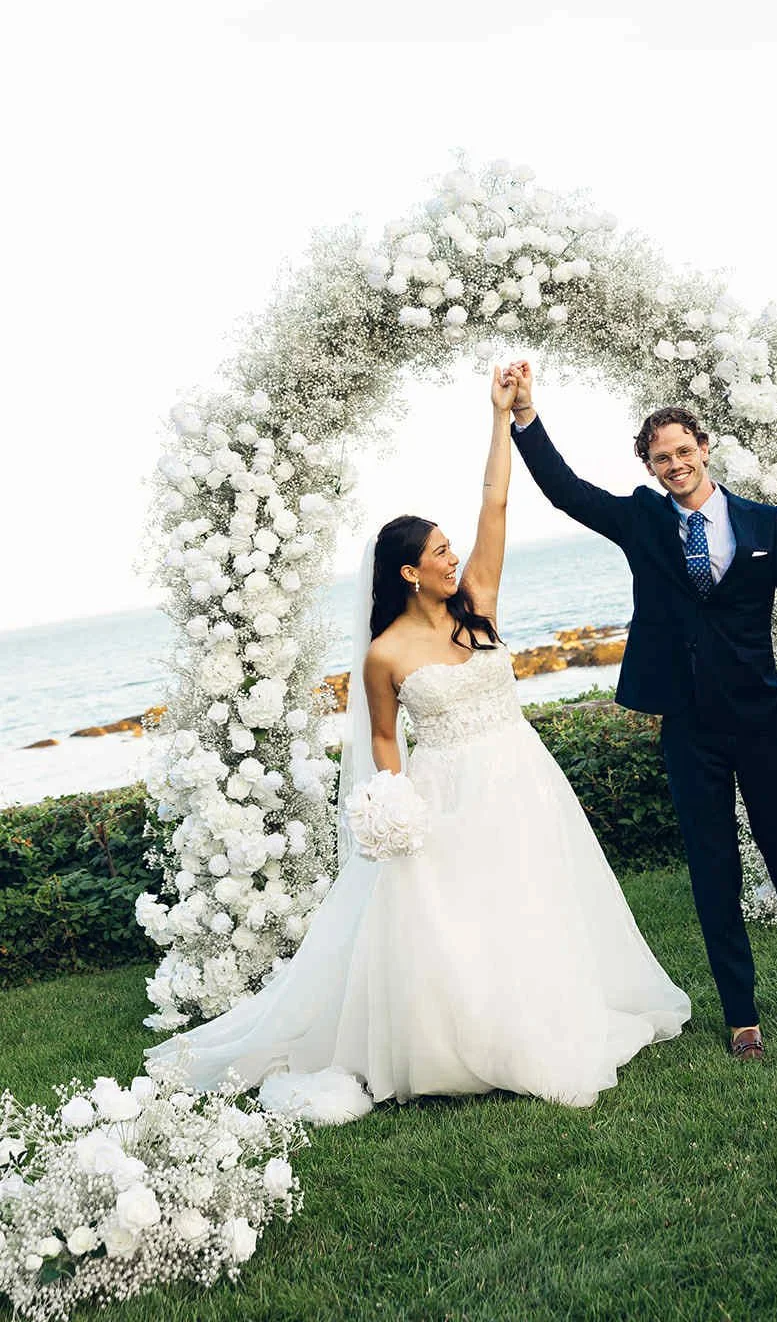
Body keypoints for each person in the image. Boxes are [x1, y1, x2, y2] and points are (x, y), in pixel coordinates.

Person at [146, 366, 690, 1118]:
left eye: (447, 548)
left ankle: (539, 1016)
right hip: (444, 793)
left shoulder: (480, 605)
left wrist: (502, 419)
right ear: (408, 572)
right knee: (460, 920)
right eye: (437, 552)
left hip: (520, 776)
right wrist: (392, 803)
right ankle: (468, 1036)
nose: (451, 557)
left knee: (532, 901)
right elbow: (381, 738)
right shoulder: (384, 656)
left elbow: (494, 502)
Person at [505, 359, 777, 1063]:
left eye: (682, 452)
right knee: (711, 867)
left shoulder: (764, 524)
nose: (673, 465)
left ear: (704, 449)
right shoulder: (640, 520)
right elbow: (565, 491)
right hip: (687, 726)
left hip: (758, 717)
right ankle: (740, 1015)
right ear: (649, 463)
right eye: (659, 457)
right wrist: (525, 417)